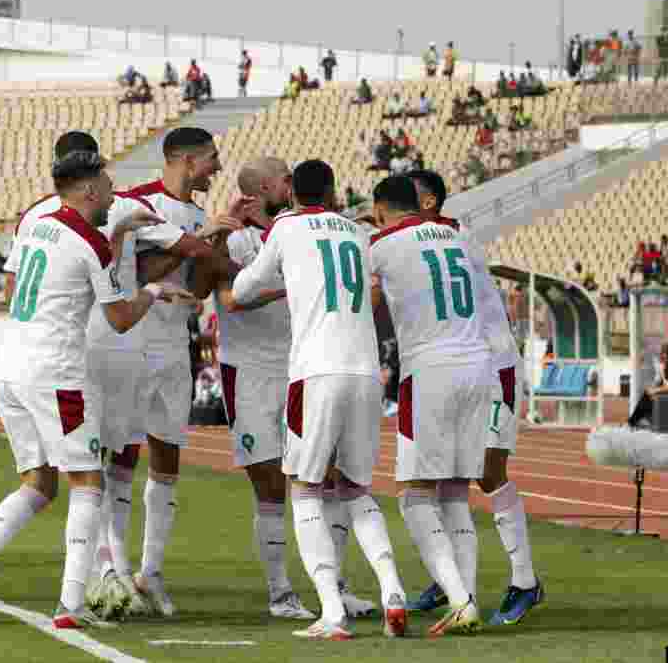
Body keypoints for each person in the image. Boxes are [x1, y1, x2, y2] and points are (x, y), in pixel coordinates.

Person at [0, 150, 190, 628]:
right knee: (88, 482)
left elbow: (45, 282)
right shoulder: (88, 243)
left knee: (38, 483)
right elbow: (119, 318)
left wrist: (118, 234)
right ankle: (71, 605)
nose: (113, 195)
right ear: (88, 190)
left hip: (10, 368)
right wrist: (155, 292)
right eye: (107, 187)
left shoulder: (34, 224)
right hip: (56, 373)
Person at [1, 131, 229, 619]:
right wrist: (210, 235)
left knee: (75, 471)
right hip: (111, 342)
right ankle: (104, 575)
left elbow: (13, 289)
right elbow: (187, 248)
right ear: (88, 177)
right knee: (108, 465)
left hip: (50, 353)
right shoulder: (121, 206)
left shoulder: (33, 217)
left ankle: (107, 573)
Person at [232, 160, 408, 641]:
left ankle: (331, 611)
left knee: (305, 488)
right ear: (331, 192)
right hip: (367, 371)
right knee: (355, 489)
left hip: (316, 372)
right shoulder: (355, 232)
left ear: (291, 194)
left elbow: (243, 288)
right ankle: (392, 588)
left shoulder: (286, 226)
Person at [402, 169, 544, 627]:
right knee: (448, 476)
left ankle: (525, 581)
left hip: (493, 362)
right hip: (463, 366)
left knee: (488, 472)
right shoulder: (434, 237)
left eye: (409, 200)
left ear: (427, 204)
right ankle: (454, 582)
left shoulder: (451, 233)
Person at [369, 174, 493, 635]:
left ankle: (460, 601)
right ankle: (468, 597)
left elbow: (356, 291)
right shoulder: (457, 233)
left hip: (431, 370)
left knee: (415, 496)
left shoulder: (381, 242)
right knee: (456, 494)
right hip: (476, 363)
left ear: (381, 208)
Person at [207, 157, 321, 621]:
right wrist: (291, 289)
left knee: (320, 478)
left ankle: (333, 584)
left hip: (299, 365)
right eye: (285, 180)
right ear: (261, 189)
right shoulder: (233, 236)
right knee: (270, 485)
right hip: (249, 370)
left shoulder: (295, 230)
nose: (291, 187)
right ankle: (280, 592)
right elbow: (230, 301)